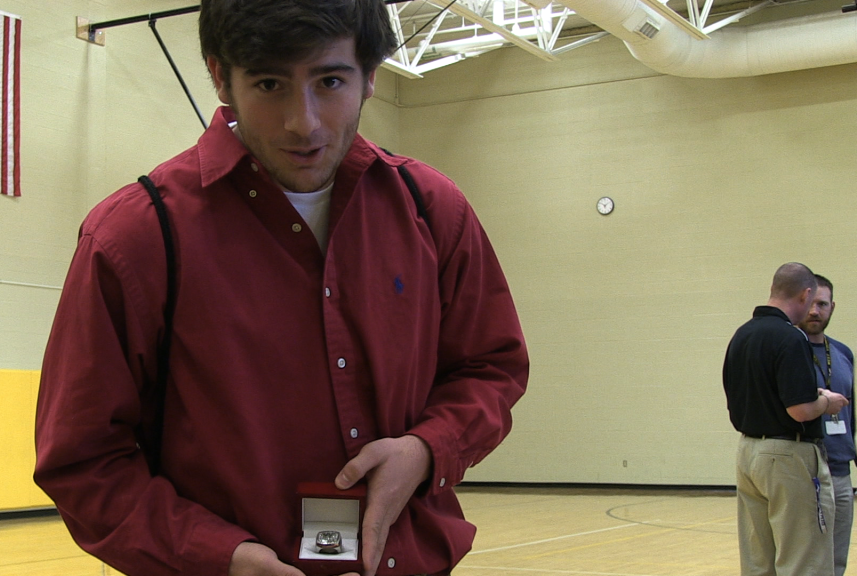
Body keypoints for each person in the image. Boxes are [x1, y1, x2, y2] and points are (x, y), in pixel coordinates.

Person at [33, 1, 531, 575]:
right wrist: (216, 556)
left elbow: (491, 367)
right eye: (269, 83)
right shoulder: (135, 238)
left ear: (370, 75)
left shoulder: (432, 211)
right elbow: (83, 460)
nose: (305, 121)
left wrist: (427, 450)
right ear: (221, 77)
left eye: (330, 81)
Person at [723, 262, 849, 576]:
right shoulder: (791, 339)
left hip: (748, 452)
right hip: (788, 457)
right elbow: (801, 410)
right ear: (805, 294)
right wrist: (826, 401)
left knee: (758, 558)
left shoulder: (742, 335)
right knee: (803, 557)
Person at [799, 274, 857, 576]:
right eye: (810, 303)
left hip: (841, 471)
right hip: (808, 471)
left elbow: (851, 410)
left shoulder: (844, 353)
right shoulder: (791, 351)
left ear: (832, 307)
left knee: (837, 558)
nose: (815, 311)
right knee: (809, 558)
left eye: (822, 304)